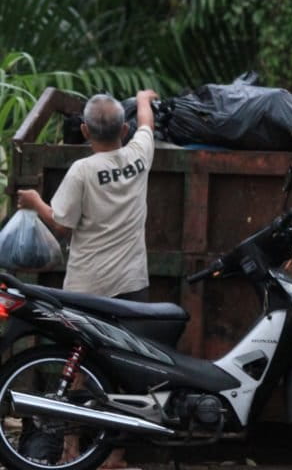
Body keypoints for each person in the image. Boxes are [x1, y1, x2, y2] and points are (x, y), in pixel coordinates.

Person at [17, 89, 158, 468]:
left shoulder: (82, 171)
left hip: (87, 289)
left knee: (75, 369)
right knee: (130, 373)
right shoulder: (138, 155)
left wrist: (33, 202)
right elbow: (148, 125)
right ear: (124, 129)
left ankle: (72, 450)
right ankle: (117, 454)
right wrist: (144, 97)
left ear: (83, 130)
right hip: (132, 284)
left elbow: (61, 226)